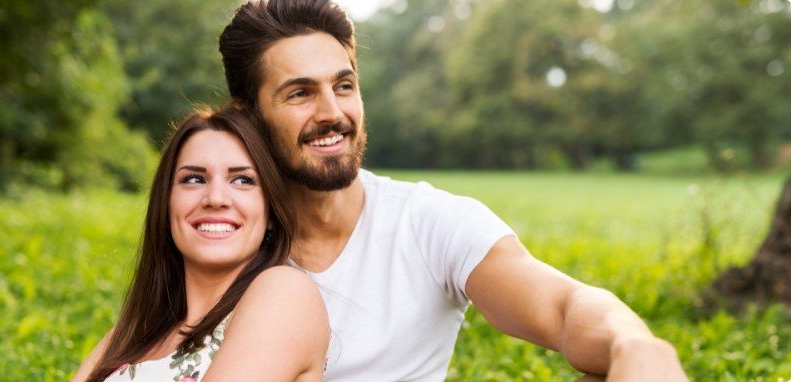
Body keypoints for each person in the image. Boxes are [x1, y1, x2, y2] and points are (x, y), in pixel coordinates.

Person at [218, 1, 688, 381]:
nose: (331, 112)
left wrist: (636, 346)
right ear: (248, 113)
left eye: (344, 86)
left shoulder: (427, 222)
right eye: (299, 93)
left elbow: (562, 307)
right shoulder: (217, 233)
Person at [73, 105, 329, 381]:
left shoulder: (285, 293)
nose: (215, 198)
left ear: (271, 211)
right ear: (167, 203)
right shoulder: (136, 330)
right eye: (194, 179)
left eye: (242, 180)